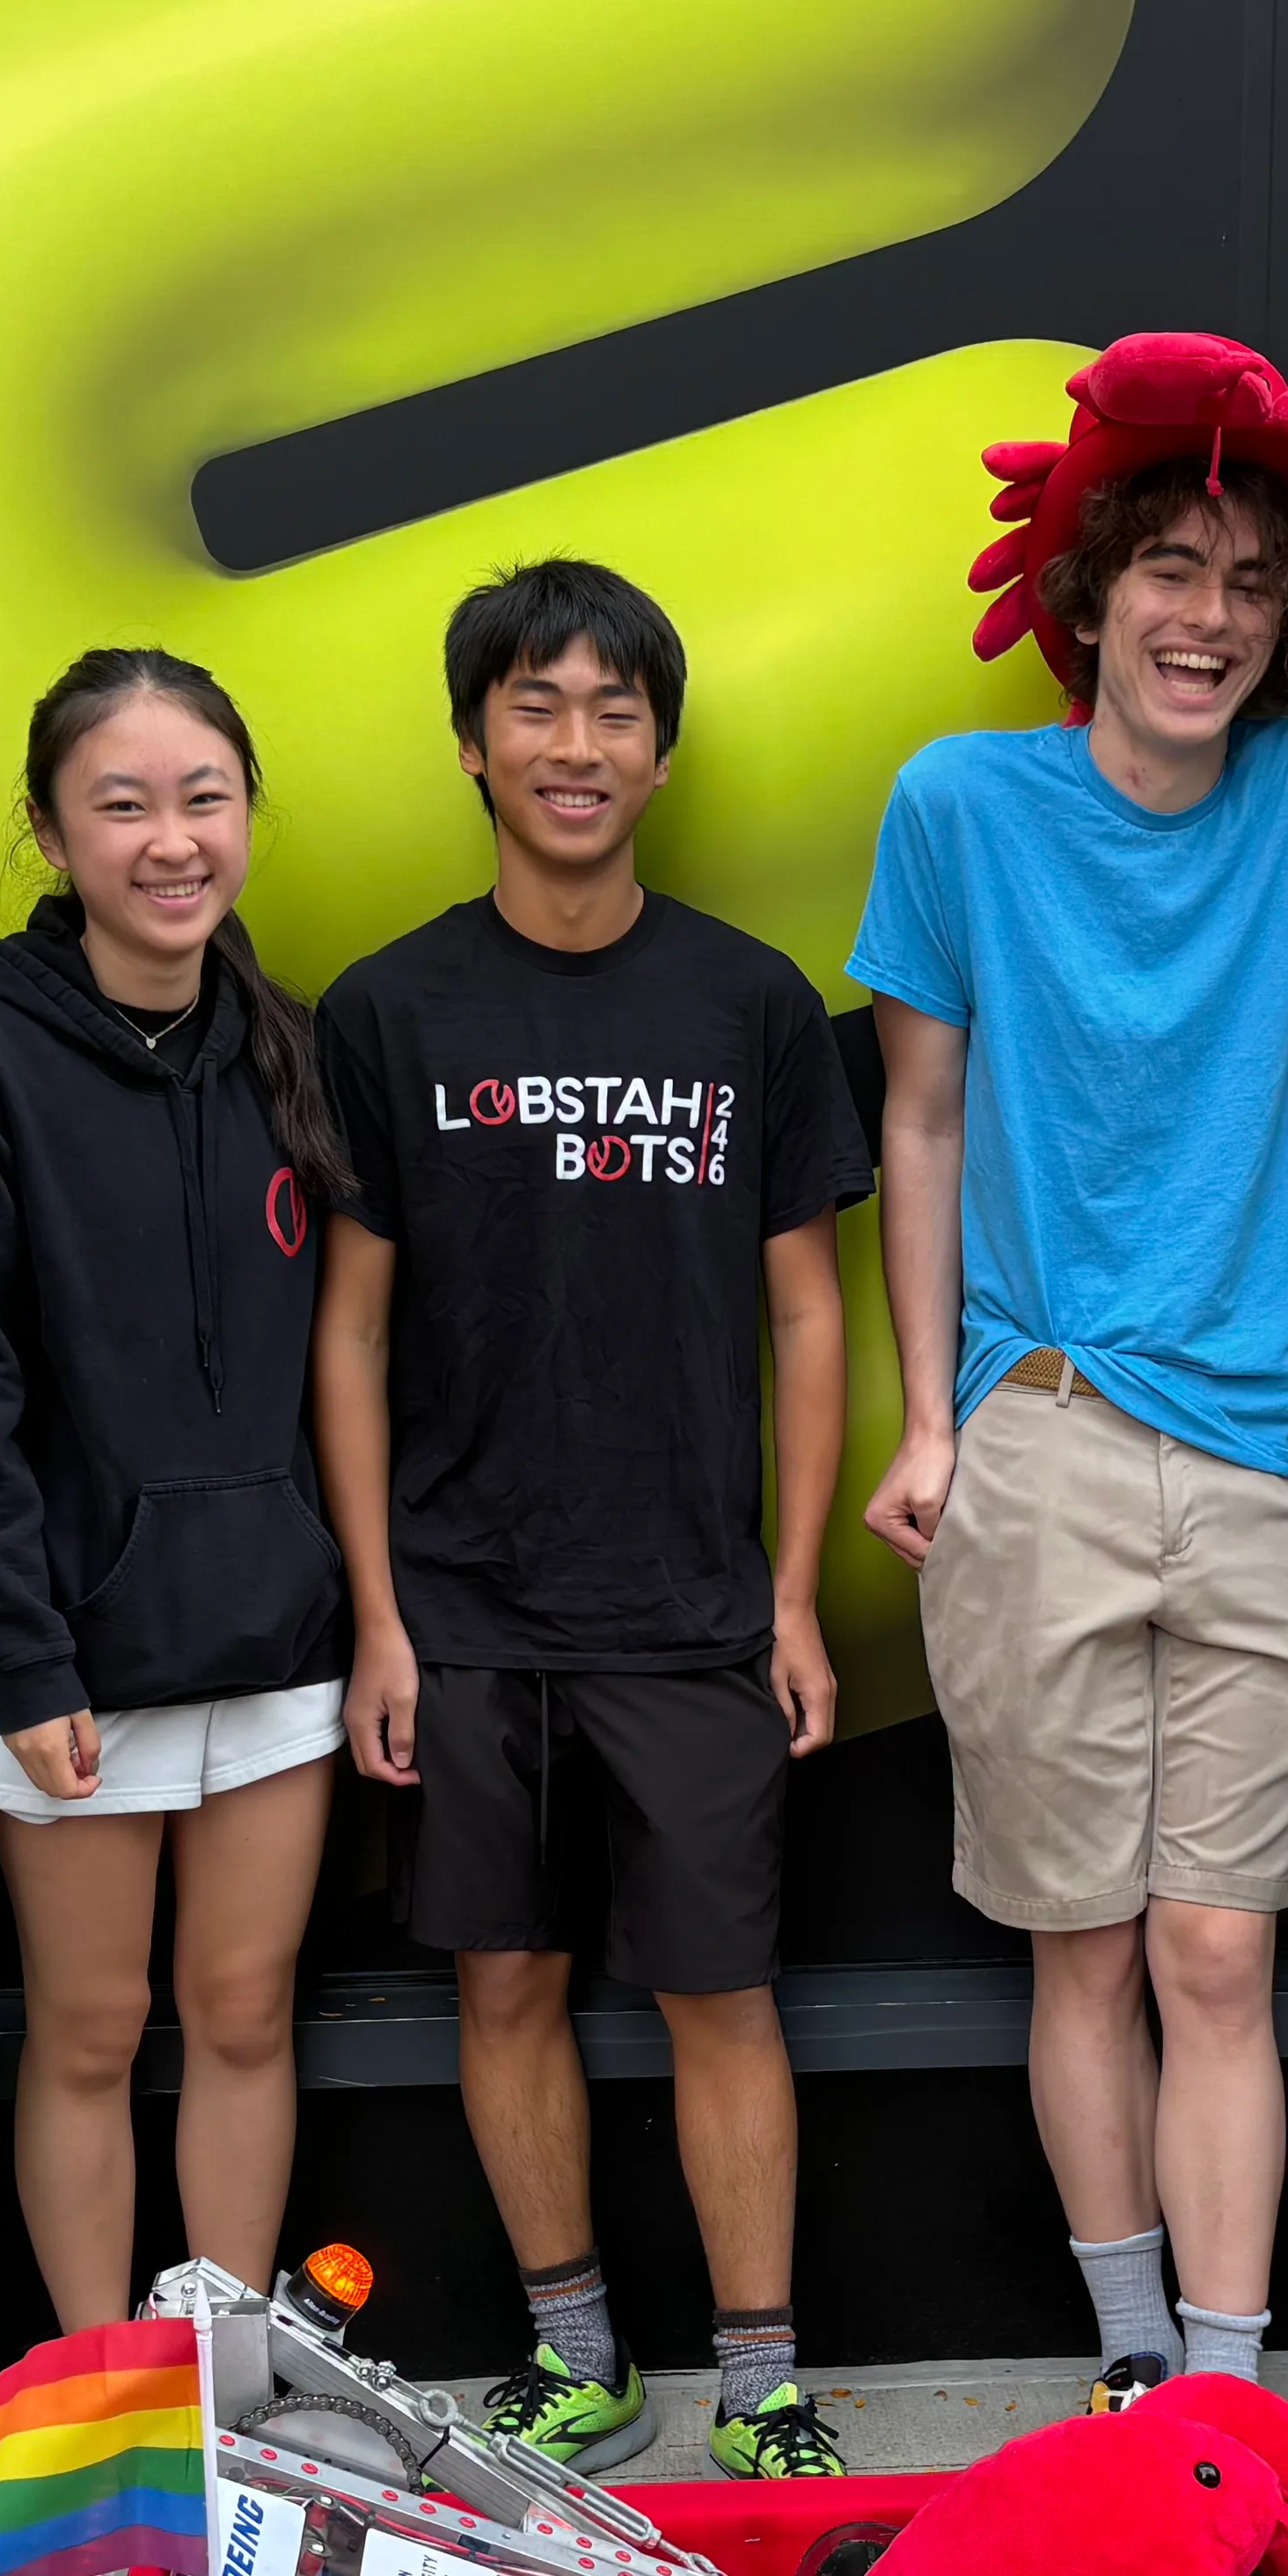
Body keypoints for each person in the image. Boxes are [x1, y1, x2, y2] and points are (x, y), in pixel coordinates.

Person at [853, 336, 1288, 2414]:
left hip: (1269, 1454)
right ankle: (1129, 2362)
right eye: (1171, 568)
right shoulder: (960, 804)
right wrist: (937, 1420)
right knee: (1081, 1947)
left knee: (1218, 1949)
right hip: (1045, 1433)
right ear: (1087, 594)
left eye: (1252, 580)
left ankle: (1227, 2392)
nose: (1210, 614)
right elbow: (922, 1119)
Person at [312, 560, 867, 2477]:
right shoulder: (388, 1009)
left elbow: (811, 1314)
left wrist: (793, 1596)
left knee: (724, 1994)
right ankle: (579, 2358)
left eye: (614, 709)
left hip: (692, 1603)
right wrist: (381, 1617)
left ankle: (762, 2383)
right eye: (536, 705)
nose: (576, 743)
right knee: (506, 1981)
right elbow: (350, 1330)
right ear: (475, 743)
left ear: (661, 749)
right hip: (467, 1607)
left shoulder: (750, 1001)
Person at [0, 651, 350, 2327]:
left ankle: (220, 2378)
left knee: (243, 2012)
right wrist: (26, 1660)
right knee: (92, 2031)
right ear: (51, 832)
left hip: (277, 1638)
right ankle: (106, 2387)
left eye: (204, 799)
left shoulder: (285, 1045)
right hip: (76, 1659)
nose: (171, 842)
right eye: (122, 805)